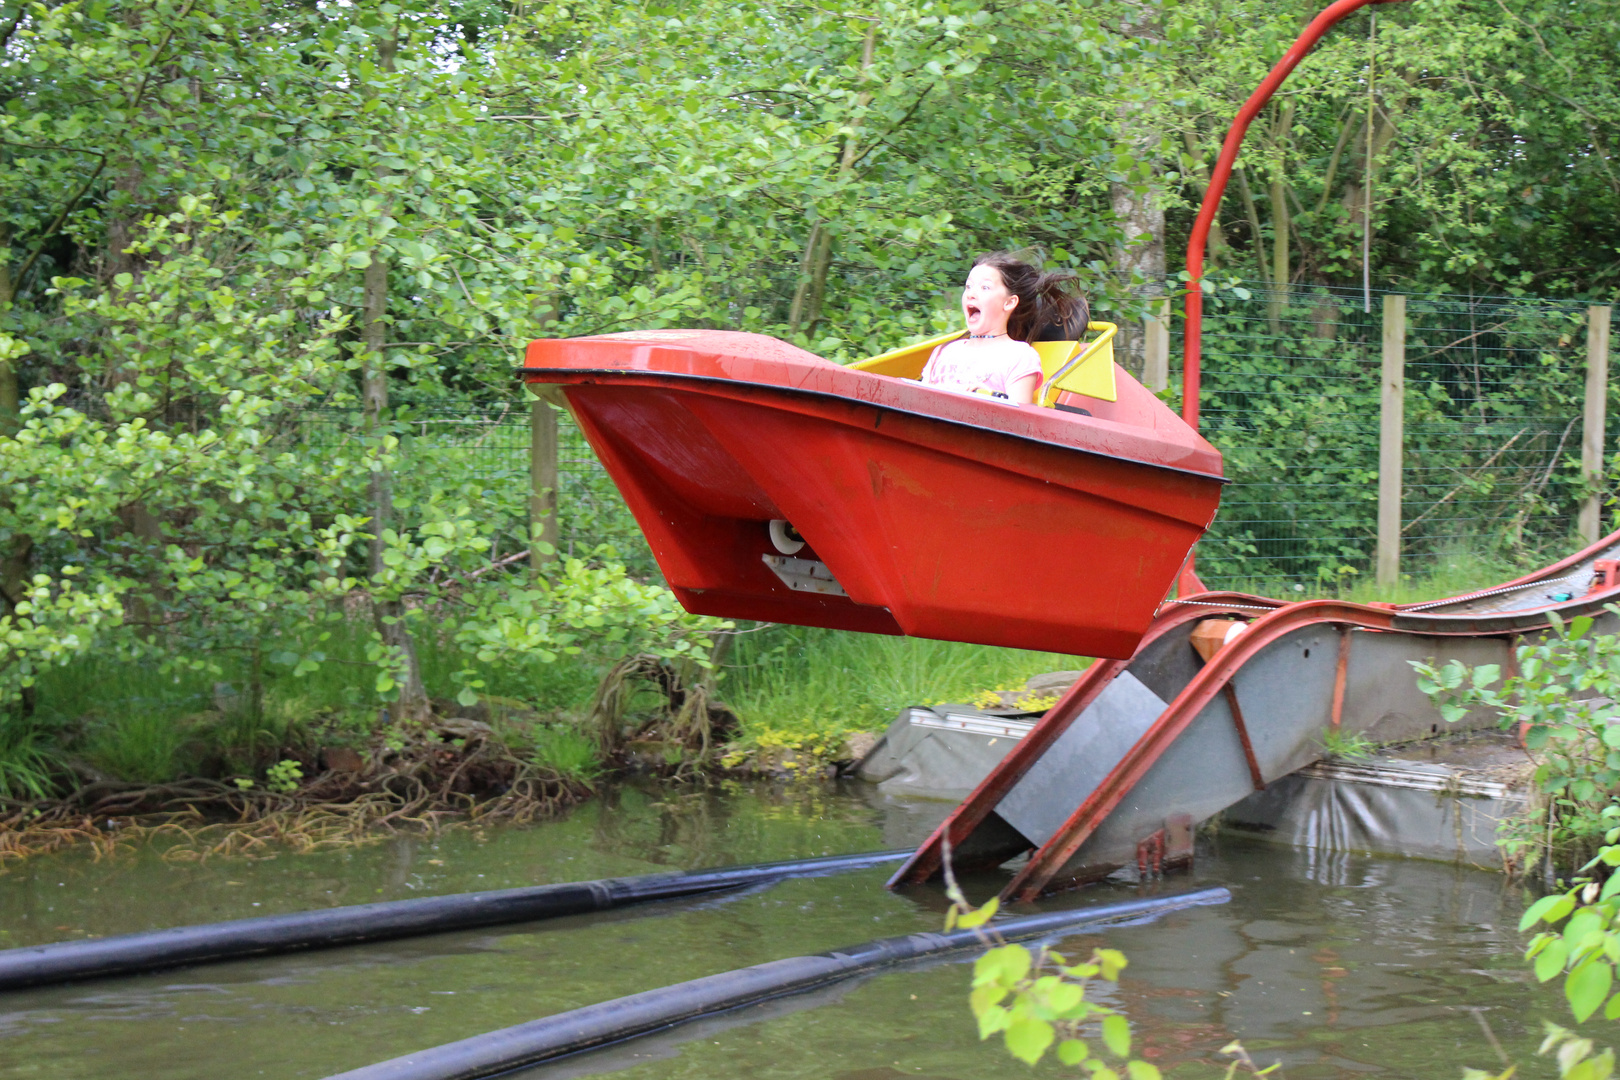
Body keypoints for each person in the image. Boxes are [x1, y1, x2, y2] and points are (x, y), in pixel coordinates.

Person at [919, 253, 1089, 405]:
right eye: (968, 286)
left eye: (984, 287)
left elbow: (1019, 421)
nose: (971, 293)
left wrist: (990, 398)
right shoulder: (944, 351)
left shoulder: (1019, 356)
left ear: (1009, 302)